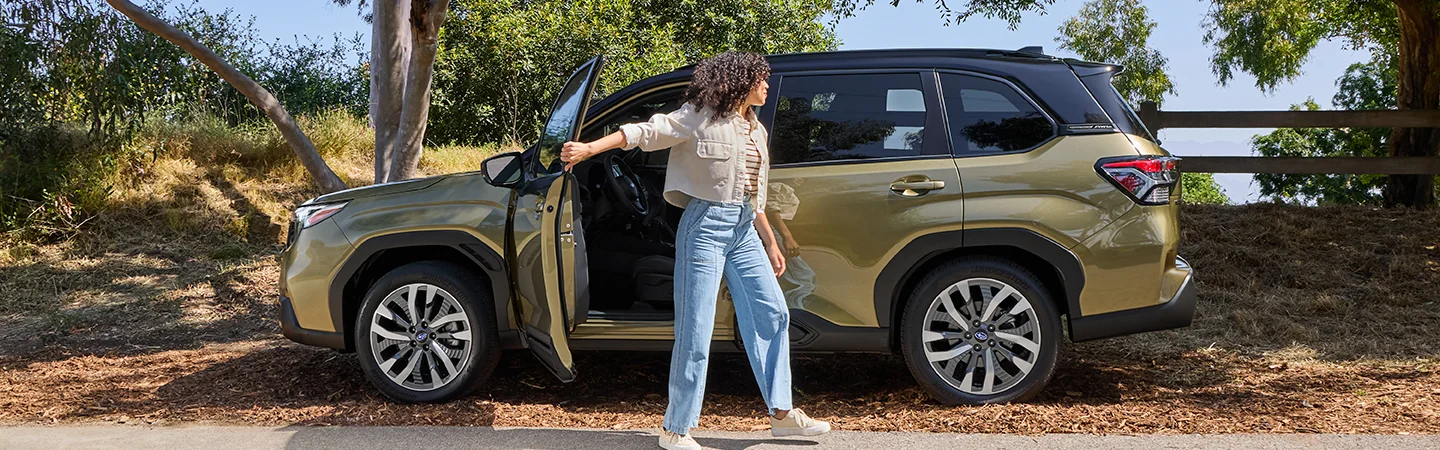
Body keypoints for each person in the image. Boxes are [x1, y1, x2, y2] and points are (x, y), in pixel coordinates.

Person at [560, 51, 830, 450]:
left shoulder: (756, 131)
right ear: (741, 82)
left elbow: (753, 195)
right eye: (762, 79)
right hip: (704, 227)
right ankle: (675, 429)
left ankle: (782, 414)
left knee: (772, 313)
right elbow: (644, 132)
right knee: (696, 328)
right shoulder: (699, 116)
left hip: (743, 230)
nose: (768, 87)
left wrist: (770, 241)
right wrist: (588, 149)